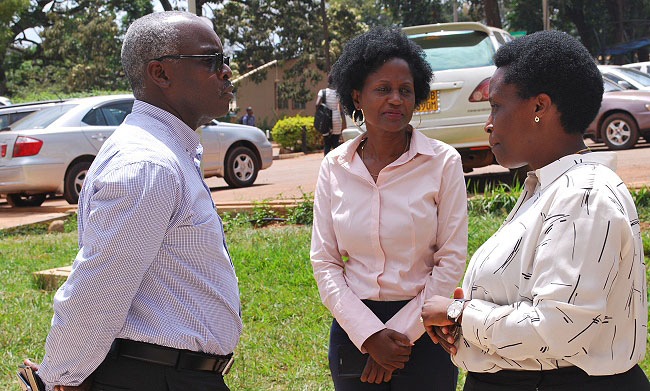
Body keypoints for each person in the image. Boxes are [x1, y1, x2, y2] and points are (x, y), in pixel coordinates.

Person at [23, 11, 242, 391]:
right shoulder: (148, 164)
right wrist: (60, 378)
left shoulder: (167, 152)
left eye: (224, 60)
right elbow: (100, 285)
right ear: (160, 73)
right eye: (211, 61)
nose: (226, 72)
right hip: (154, 378)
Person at [421, 30, 649, 391]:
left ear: (539, 107)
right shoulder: (548, 188)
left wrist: (460, 314)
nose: (488, 122)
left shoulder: (583, 195)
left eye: (496, 106)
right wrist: (467, 327)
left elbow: (557, 329)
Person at [310, 27, 468, 390]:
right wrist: (369, 335)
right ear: (357, 96)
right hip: (354, 332)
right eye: (383, 89)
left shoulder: (443, 162)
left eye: (405, 90)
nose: (396, 99)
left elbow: (451, 259)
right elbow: (325, 261)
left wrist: (397, 336)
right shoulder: (334, 167)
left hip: (427, 330)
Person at [316, 77, 347, 155]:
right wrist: (344, 123)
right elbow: (342, 110)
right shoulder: (338, 93)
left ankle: (326, 164)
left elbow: (317, 104)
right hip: (336, 118)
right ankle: (336, 164)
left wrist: (321, 112)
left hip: (325, 120)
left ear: (328, 82)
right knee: (335, 143)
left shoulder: (322, 92)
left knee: (327, 143)